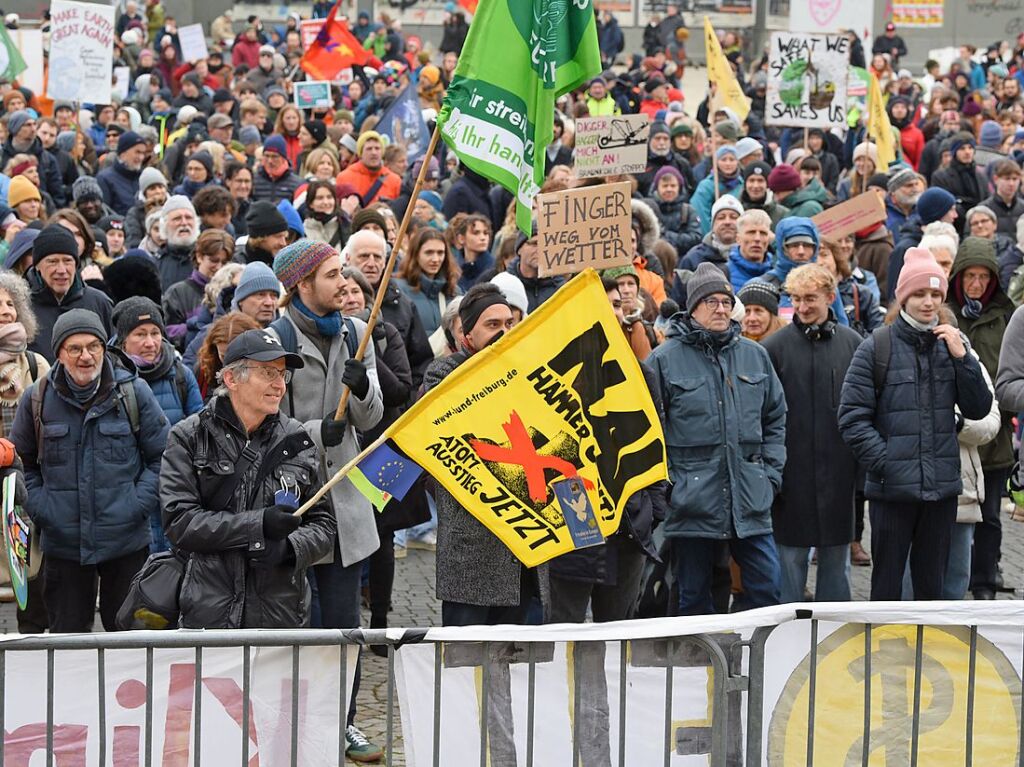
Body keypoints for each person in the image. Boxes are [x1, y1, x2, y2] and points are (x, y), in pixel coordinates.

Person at [269, 239, 384, 762]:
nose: (346, 282)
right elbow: (264, 425)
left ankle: (345, 721)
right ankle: (287, 724)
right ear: (301, 285)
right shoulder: (275, 338)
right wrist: (318, 430)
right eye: (334, 274)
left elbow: (371, 418)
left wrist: (359, 391)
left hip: (346, 505)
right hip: (293, 508)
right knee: (295, 623)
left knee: (345, 626)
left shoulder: (359, 332)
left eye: (345, 272)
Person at [838, 248, 993, 600]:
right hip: (892, 492)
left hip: (941, 491)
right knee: (887, 587)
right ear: (903, 297)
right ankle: (882, 653)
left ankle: (925, 654)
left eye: (936, 295)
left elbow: (979, 407)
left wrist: (963, 359)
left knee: (931, 588)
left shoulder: (953, 345)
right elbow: (851, 418)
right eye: (920, 294)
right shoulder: (876, 347)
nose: (928, 302)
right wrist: (889, 463)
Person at [159, 329, 336, 628]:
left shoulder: (296, 438)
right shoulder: (189, 436)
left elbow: (324, 523)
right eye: (268, 373)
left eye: (282, 374)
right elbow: (180, 522)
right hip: (209, 610)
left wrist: (290, 548)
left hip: (279, 613)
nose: (279, 385)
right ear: (231, 379)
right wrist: (258, 525)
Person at [10, 309, 169, 632]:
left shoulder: (133, 393)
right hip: (63, 546)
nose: (86, 356)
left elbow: (163, 458)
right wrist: (44, 509)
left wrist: (135, 504)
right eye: (75, 349)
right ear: (59, 354)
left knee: (129, 644)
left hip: (125, 544)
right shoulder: (36, 399)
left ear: (104, 348)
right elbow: (20, 463)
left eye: (93, 346)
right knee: (68, 642)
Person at [648, 262, 787, 614]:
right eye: (711, 301)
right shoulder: (663, 360)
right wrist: (670, 485)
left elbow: (775, 418)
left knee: (768, 589)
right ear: (692, 308)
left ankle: (760, 663)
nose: (721, 308)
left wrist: (769, 475)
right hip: (692, 501)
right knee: (692, 596)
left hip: (750, 496)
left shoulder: (755, 356)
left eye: (726, 301)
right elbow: (650, 432)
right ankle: (695, 666)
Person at [424, 283, 541, 624]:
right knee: (466, 665)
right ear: (467, 336)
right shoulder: (442, 374)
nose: (504, 332)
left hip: (524, 548)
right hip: (473, 552)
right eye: (492, 325)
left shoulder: (529, 373)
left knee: (517, 664)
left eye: (510, 323)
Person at [762, 264, 863, 603]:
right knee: (789, 560)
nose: (803, 307)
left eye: (811, 299)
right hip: (791, 471)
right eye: (796, 299)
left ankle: (834, 633)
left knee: (836, 561)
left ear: (830, 298)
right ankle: (784, 633)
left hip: (839, 472)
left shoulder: (853, 344)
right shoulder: (773, 347)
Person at [945, 237, 1016, 600]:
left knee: (989, 517)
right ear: (958, 278)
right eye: (969, 276)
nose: (976, 284)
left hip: (995, 435)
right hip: (953, 436)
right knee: (954, 516)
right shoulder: (944, 314)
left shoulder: (1005, 317)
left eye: (983, 278)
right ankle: (951, 581)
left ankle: (985, 581)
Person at [111, 297, 202, 551]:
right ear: (123, 340)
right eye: (140, 334)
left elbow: (199, 426)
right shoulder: (109, 379)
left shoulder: (181, 374)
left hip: (177, 490)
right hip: (132, 496)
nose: (150, 342)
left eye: (155, 333)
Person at [343, 228, 433, 386]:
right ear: (348, 258)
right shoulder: (332, 300)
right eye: (364, 256)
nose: (371, 263)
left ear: (385, 262)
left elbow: (421, 363)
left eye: (377, 257)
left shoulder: (403, 305)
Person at [27, 225, 114, 364]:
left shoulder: (99, 302)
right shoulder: (20, 305)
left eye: (67, 261)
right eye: (52, 261)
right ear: (37, 266)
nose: (61, 270)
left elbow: (114, 357)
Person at [162, 228, 232, 348]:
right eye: (214, 261)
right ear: (199, 256)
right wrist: (197, 324)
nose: (219, 267)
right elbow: (166, 332)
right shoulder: (177, 293)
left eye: (224, 262)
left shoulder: (232, 291)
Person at [394, 229, 462, 338]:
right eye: (429, 252)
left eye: (440, 253)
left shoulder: (453, 290)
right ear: (416, 254)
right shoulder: (398, 290)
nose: (435, 259)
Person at [156, 195, 200, 291]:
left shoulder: (206, 258)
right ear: (165, 225)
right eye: (177, 218)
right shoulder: (156, 264)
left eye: (188, 217)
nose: (184, 223)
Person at [97, 131, 146, 216]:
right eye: (137, 152)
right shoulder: (104, 179)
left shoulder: (143, 177)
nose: (141, 157)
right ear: (123, 153)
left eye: (143, 153)